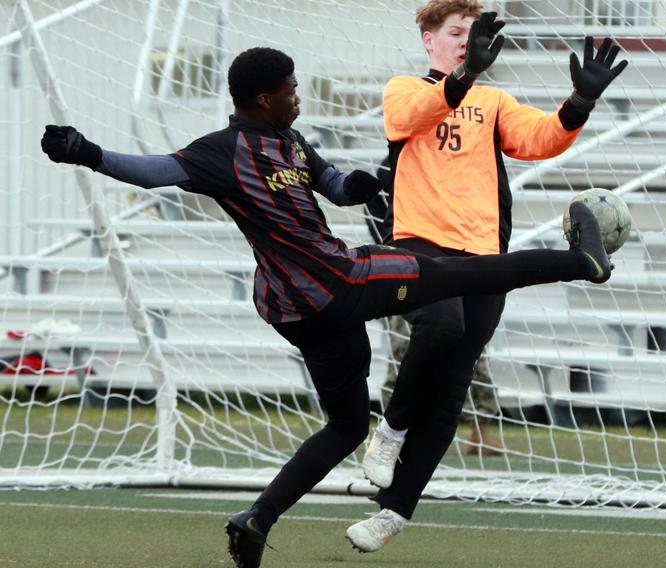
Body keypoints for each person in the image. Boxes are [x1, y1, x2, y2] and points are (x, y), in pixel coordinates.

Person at [40, 46, 613, 568]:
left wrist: (361, 187)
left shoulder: (290, 141)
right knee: (458, 272)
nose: (298, 95)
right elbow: (154, 170)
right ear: (263, 99)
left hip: (299, 310)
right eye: (290, 89)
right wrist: (87, 152)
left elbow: (333, 184)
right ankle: (582, 261)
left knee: (345, 426)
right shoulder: (221, 152)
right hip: (337, 280)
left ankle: (256, 520)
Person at [352, 0, 628, 552]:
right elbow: (410, 120)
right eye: (455, 33)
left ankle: (395, 511)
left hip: (483, 252)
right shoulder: (403, 90)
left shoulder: (492, 101)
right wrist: (465, 72)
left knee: (453, 388)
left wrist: (582, 100)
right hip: (418, 243)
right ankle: (389, 430)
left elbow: (542, 138)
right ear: (429, 40)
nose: (464, 41)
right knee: (439, 326)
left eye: (471, 35)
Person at [364, 160, 503, 456]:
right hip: (406, 272)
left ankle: (482, 428)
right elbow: (375, 213)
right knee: (406, 350)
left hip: (456, 267)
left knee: (470, 350)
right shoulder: (392, 168)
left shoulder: (460, 164)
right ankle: (394, 430)